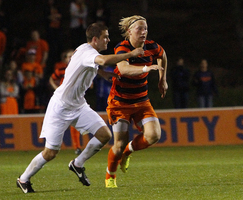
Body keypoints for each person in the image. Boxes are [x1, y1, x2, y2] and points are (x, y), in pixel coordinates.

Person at [16, 22, 144, 193]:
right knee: (50, 152)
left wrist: (102, 73)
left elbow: (90, 64)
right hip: (60, 107)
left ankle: (77, 163)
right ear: (95, 39)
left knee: (104, 134)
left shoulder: (85, 50)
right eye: (105, 37)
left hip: (79, 105)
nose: (108, 39)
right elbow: (104, 60)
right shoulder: (89, 52)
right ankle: (23, 179)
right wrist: (131, 53)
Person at [105, 15, 168, 188]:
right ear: (129, 31)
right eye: (139, 28)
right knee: (118, 144)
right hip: (120, 102)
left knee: (154, 135)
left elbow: (163, 55)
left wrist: (162, 79)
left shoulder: (151, 46)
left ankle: (128, 152)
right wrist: (147, 68)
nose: (143, 31)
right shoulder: (122, 48)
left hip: (141, 101)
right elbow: (124, 69)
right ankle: (110, 175)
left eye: (145, 28)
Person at [49, 49, 82, 155]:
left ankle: (77, 147)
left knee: (74, 123)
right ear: (65, 59)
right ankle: (51, 146)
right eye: (68, 56)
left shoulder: (80, 69)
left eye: (72, 56)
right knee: (57, 122)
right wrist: (57, 89)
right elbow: (52, 79)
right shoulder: (61, 69)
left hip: (74, 99)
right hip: (62, 100)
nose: (70, 58)